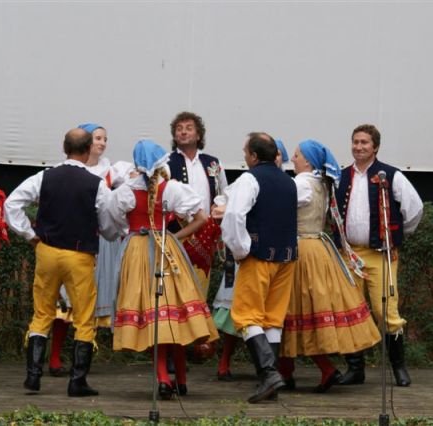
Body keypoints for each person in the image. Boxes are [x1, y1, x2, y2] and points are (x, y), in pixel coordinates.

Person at [4, 128, 117, 397]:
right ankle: (77, 381)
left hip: (47, 250)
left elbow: (12, 204)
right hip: (79, 255)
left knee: (42, 313)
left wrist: (31, 236)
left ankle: (33, 376)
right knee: (84, 318)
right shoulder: (96, 183)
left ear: (64, 147)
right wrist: (106, 234)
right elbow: (109, 223)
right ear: (88, 149)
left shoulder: (44, 176)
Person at [108, 139, 219, 400]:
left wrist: (133, 232)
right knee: (172, 317)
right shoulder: (171, 188)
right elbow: (202, 218)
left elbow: (111, 224)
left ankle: (163, 379)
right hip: (166, 250)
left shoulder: (125, 192)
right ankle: (179, 380)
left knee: (153, 317)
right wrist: (175, 238)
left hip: (137, 251)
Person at [278, 140, 381, 393]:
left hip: (301, 251)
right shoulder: (320, 183)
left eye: (298, 154)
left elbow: (276, 206)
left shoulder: (301, 183)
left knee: (291, 310)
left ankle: (318, 369)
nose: (293, 156)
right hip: (318, 249)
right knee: (296, 311)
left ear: (310, 161)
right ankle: (287, 371)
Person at [333, 124, 423, 387]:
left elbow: (414, 209)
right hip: (349, 254)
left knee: (386, 311)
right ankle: (355, 369)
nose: (359, 147)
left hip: (379, 255)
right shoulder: (341, 176)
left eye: (365, 143)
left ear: (375, 147)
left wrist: (394, 237)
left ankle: (398, 368)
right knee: (352, 311)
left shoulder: (390, 175)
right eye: (355, 142)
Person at [47, 123, 132, 377]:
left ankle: (82, 360)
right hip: (77, 238)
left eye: (105, 138)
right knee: (68, 298)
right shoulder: (67, 171)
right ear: (85, 143)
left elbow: (133, 183)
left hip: (103, 242)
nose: (102, 143)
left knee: (92, 299)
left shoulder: (112, 169)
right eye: (97, 138)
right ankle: (54, 358)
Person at [220, 132, 297, 403]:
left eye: (245, 151)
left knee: (247, 316)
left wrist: (240, 250)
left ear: (253, 156)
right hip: (286, 258)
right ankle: (271, 380)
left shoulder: (250, 178)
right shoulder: (290, 182)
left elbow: (233, 216)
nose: (244, 155)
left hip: (259, 256)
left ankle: (268, 374)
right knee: (272, 318)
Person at [167, 111, 228, 298]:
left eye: (189, 128)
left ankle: (198, 318)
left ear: (199, 135)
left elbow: (224, 192)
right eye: (179, 129)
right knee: (176, 279)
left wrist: (218, 206)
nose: (183, 132)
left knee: (201, 278)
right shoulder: (167, 162)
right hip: (178, 229)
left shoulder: (212, 162)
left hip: (205, 231)